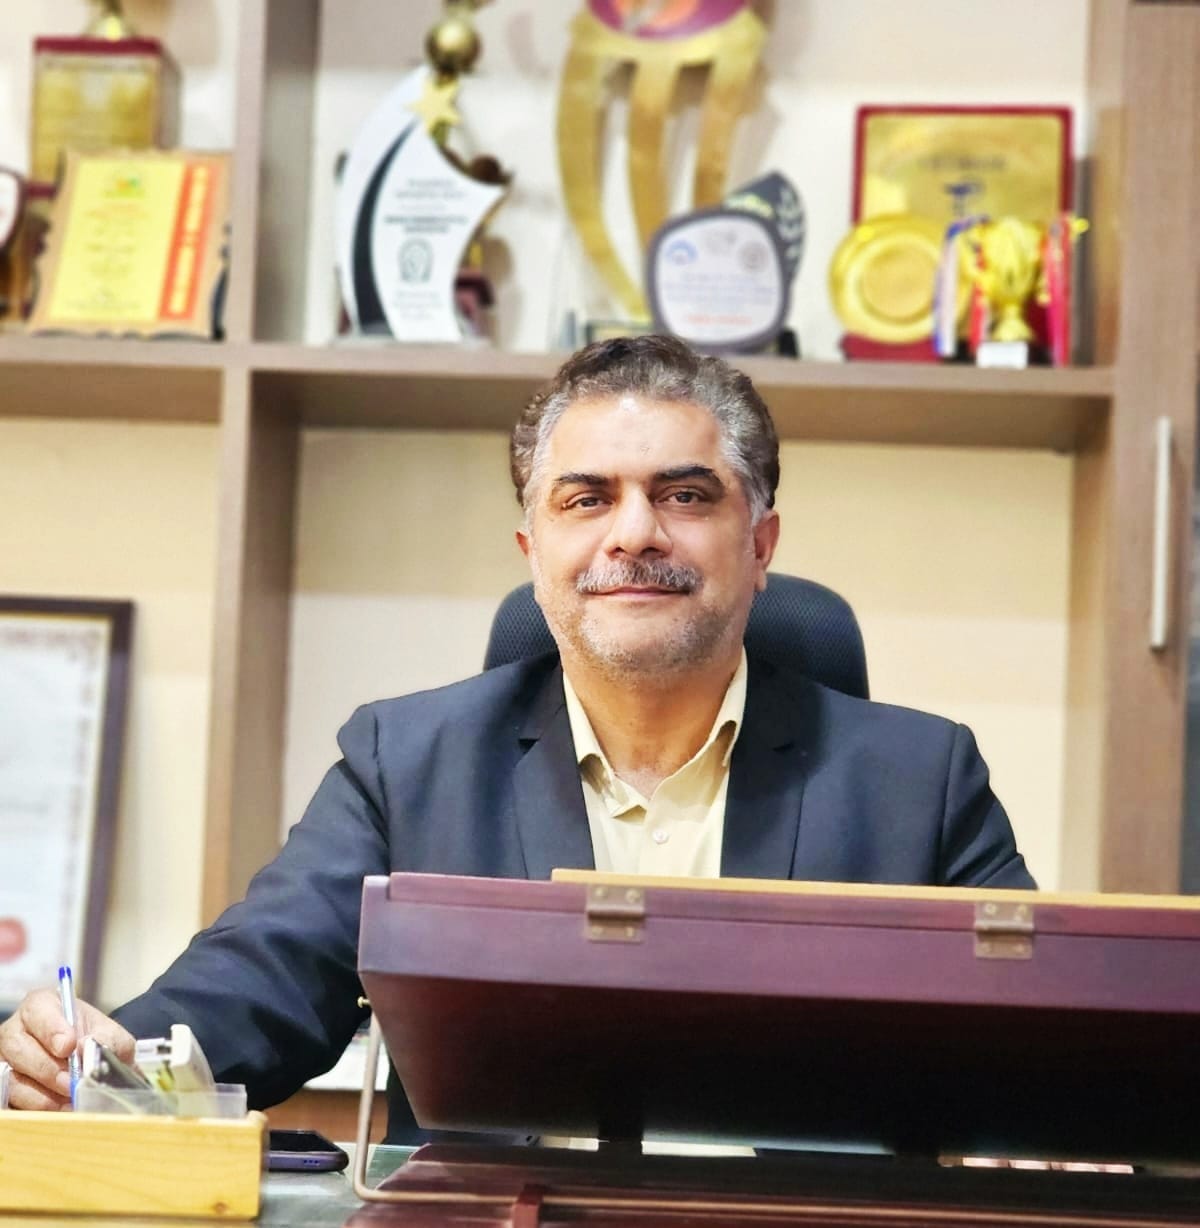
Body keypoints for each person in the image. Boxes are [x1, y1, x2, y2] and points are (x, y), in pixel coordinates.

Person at [0, 335, 1033, 1132]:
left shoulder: (920, 779)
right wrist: (109, 1057)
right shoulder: (408, 764)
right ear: (534, 551)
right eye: (588, 499)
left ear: (759, 546)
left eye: (684, 495)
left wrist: (1061, 1126)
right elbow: (262, 983)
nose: (634, 532)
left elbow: (1041, 1036)